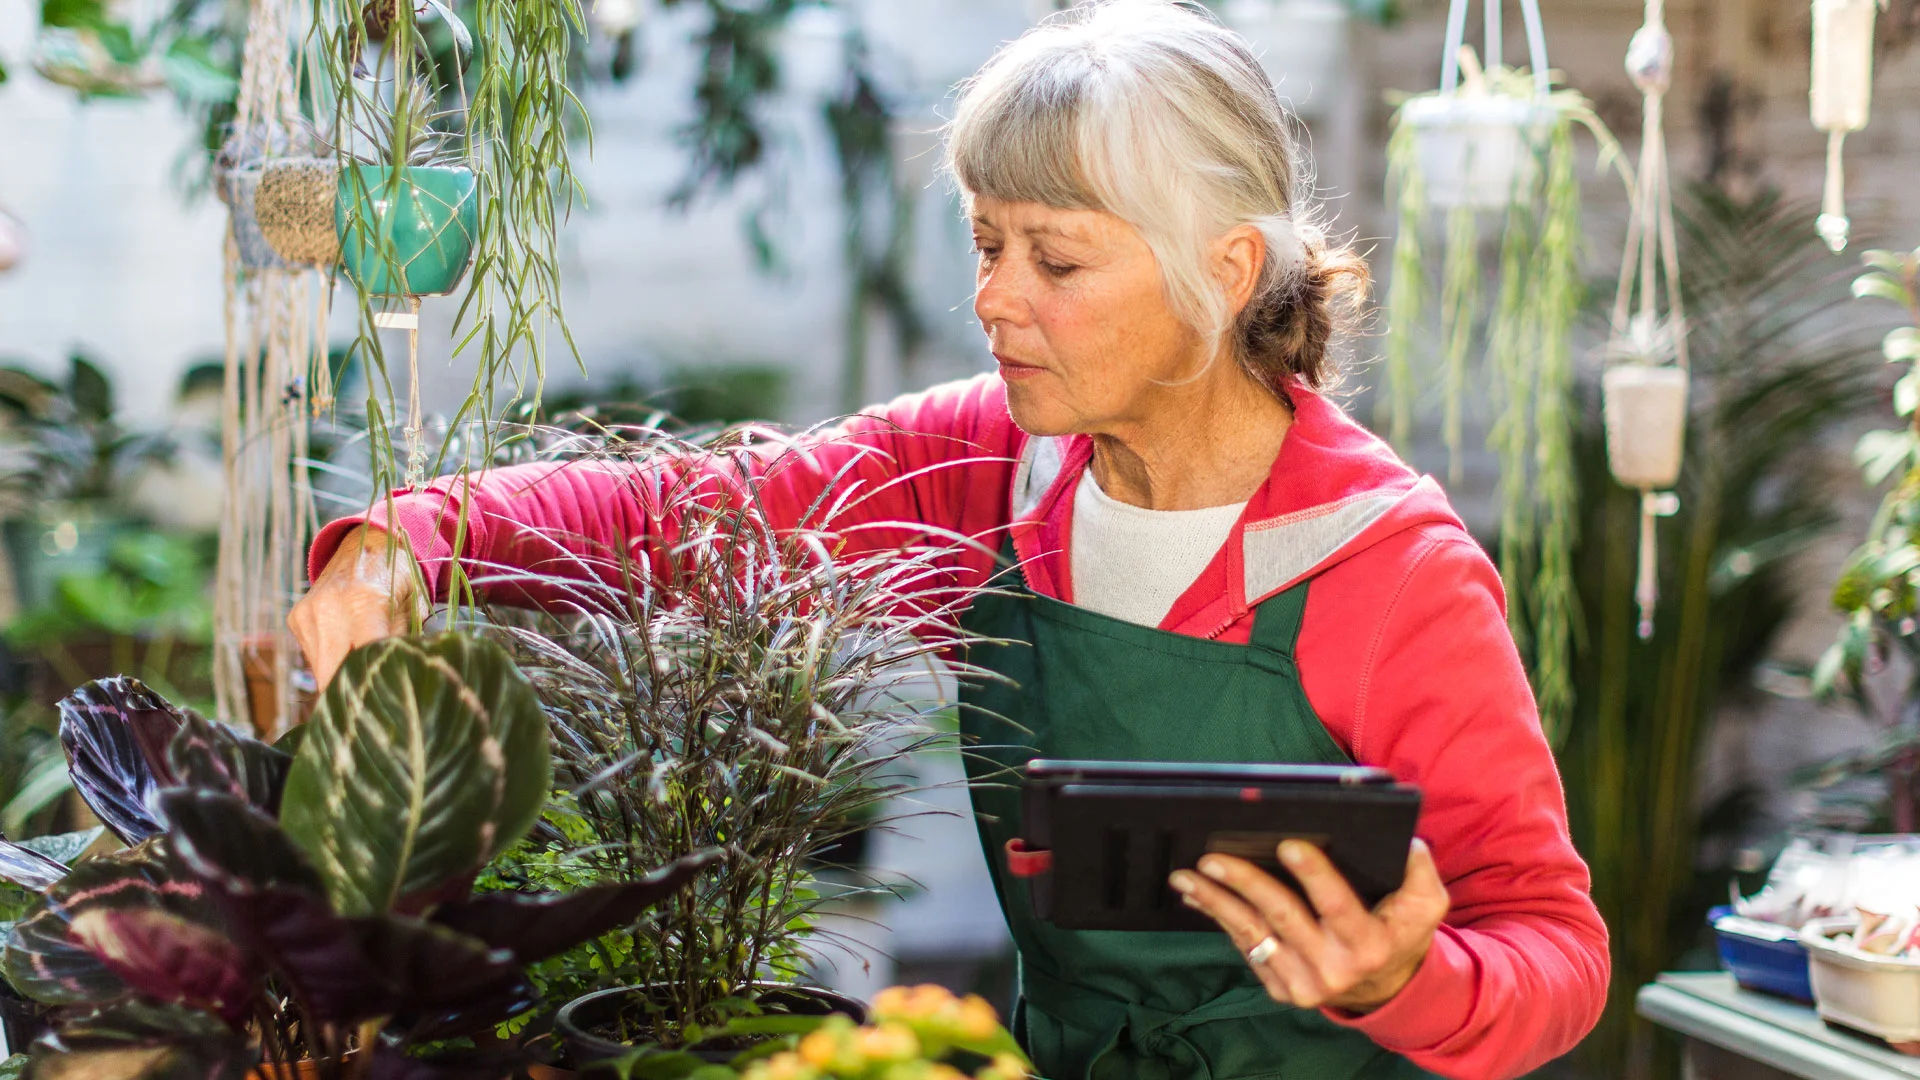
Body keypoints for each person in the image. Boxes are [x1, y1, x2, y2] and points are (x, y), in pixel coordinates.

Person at [289, 2, 1609, 1077]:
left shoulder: (1387, 567)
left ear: (1224, 266)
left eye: (1057, 260)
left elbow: (1555, 952)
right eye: (986, 243)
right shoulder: (991, 468)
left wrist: (1408, 980)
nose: (993, 299)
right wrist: (411, 539)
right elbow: (698, 516)